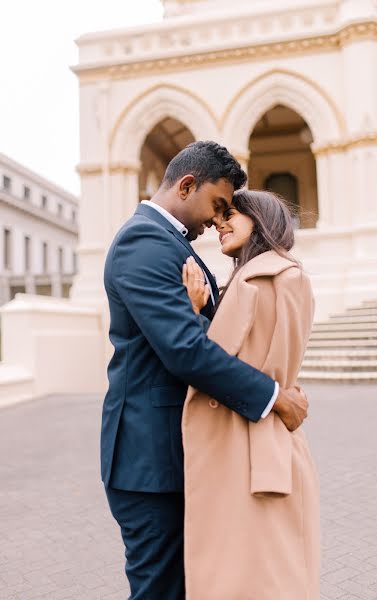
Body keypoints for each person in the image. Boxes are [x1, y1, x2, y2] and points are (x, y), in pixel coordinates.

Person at [101, 141, 309, 600]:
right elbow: (184, 351)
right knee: (162, 590)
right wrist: (275, 398)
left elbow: (205, 339)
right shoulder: (144, 241)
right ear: (187, 184)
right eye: (217, 205)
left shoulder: (170, 243)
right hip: (149, 463)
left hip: (175, 458)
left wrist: (197, 314)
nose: (217, 220)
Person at [182, 190, 320, 600]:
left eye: (232, 214)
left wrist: (191, 318)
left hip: (253, 447)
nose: (220, 223)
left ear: (260, 219)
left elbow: (211, 363)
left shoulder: (277, 277)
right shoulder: (255, 278)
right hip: (250, 441)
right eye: (220, 214)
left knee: (260, 580)